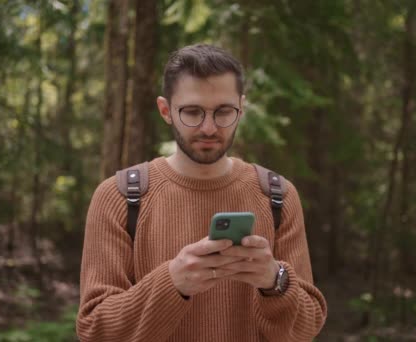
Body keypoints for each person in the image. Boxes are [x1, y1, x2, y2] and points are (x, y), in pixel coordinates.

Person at [76, 44, 327, 341]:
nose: (209, 128)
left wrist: (275, 281)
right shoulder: (119, 196)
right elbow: (94, 330)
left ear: (241, 108)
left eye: (223, 112)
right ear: (165, 110)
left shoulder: (278, 196)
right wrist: (172, 283)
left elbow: (306, 329)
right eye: (192, 112)